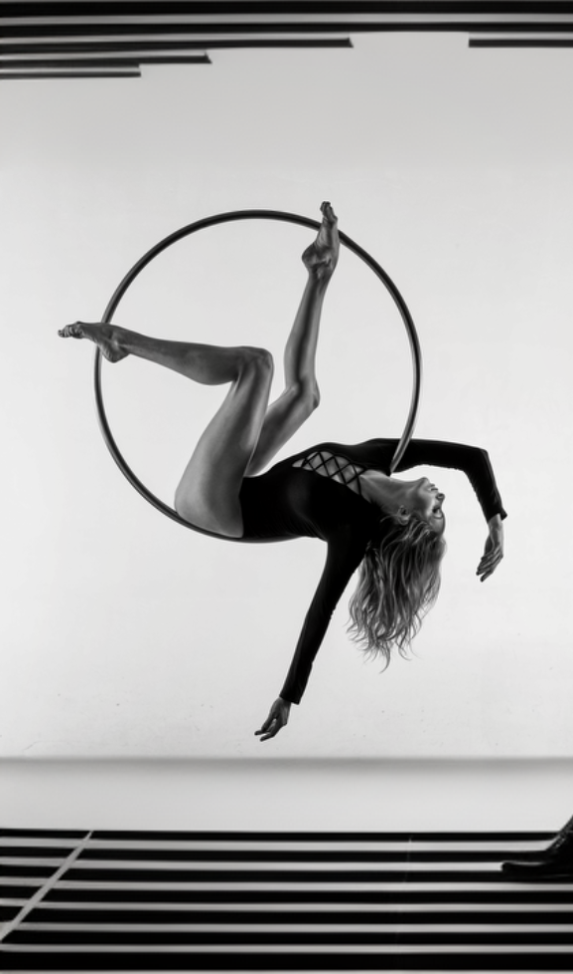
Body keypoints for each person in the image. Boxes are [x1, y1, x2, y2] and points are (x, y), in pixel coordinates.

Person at [59, 202, 506, 742]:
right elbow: (472, 457)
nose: (441, 497)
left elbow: (318, 615)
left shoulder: (353, 531)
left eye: (437, 510)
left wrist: (289, 695)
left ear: (410, 521)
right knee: (305, 396)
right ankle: (319, 273)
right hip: (243, 482)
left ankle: (120, 342)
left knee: (257, 365)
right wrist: (496, 521)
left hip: (216, 506)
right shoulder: (382, 457)